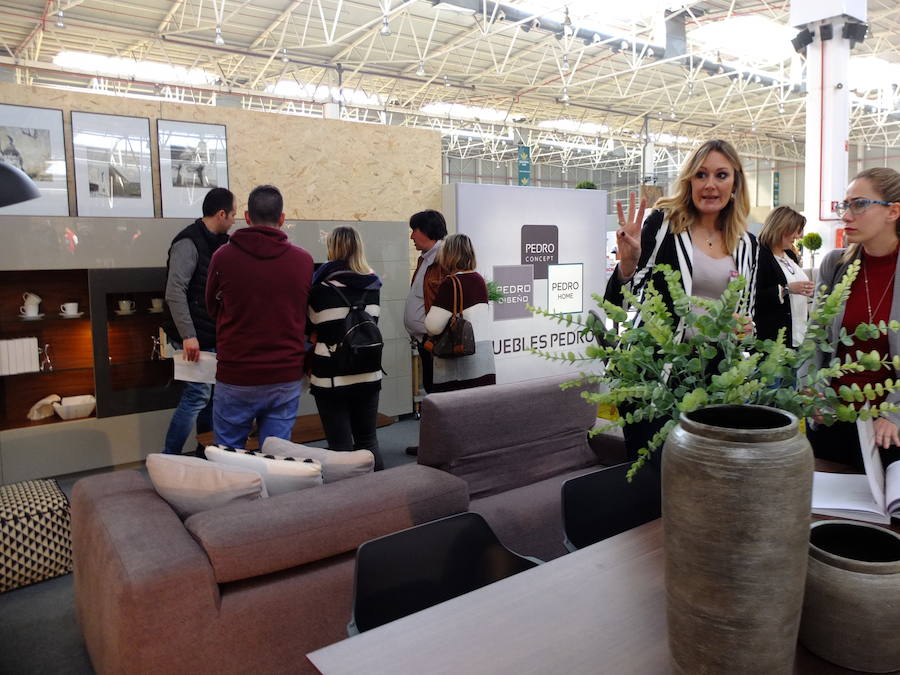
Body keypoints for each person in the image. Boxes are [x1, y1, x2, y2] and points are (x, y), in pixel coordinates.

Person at [604, 138, 759, 462]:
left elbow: (745, 311)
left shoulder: (746, 244)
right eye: (701, 175)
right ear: (689, 181)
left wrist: (745, 327)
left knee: (704, 476)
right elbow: (624, 302)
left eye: (721, 175)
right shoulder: (664, 225)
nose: (711, 185)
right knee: (654, 476)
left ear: (735, 182)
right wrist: (628, 263)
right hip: (657, 372)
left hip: (712, 378)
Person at [206, 185, 314, 449]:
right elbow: (304, 309)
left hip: (236, 372)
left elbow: (211, 307)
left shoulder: (223, 257)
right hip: (285, 373)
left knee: (229, 456)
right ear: (282, 219)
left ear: (246, 216)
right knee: (277, 456)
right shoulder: (303, 261)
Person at [807, 167, 900, 470]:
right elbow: (815, 340)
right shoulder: (835, 265)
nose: (846, 215)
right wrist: (813, 391)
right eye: (844, 205)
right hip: (833, 421)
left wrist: (894, 415)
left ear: (893, 211)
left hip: (889, 434)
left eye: (858, 204)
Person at [161, 187, 235, 455]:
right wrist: (188, 335)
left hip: (210, 334)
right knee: (197, 397)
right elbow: (174, 292)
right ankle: (169, 457)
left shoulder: (222, 243)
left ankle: (206, 453)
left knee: (211, 398)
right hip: (193, 335)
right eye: (233, 214)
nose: (235, 221)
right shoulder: (187, 243)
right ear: (221, 214)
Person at [307, 226, 384, 470]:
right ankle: (383, 493)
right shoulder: (373, 286)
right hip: (368, 372)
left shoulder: (319, 289)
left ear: (332, 249)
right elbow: (371, 324)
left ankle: (349, 503)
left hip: (332, 377)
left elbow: (313, 327)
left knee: (340, 447)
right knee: (368, 440)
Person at [424, 233, 495, 392]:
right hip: (483, 360)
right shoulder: (478, 279)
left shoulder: (451, 283)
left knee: (455, 414)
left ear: (448, 254)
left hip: (459, 366)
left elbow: (433, 326)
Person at [755, 206, 814, 348]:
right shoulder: (760, 256)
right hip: (775, 340)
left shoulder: (790, 255)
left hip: (799, 334)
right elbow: (754, 296)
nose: (798, 236)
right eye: (795, 231)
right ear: (781, 228)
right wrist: (785, 289)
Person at [404, 209, 447, 394]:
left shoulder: (444, 260)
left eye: (415, 230)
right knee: (431, 388)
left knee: (439, 391)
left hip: (437, 343)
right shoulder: (425, 260)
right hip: (424, 341)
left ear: (428, 231)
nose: (412, 236)